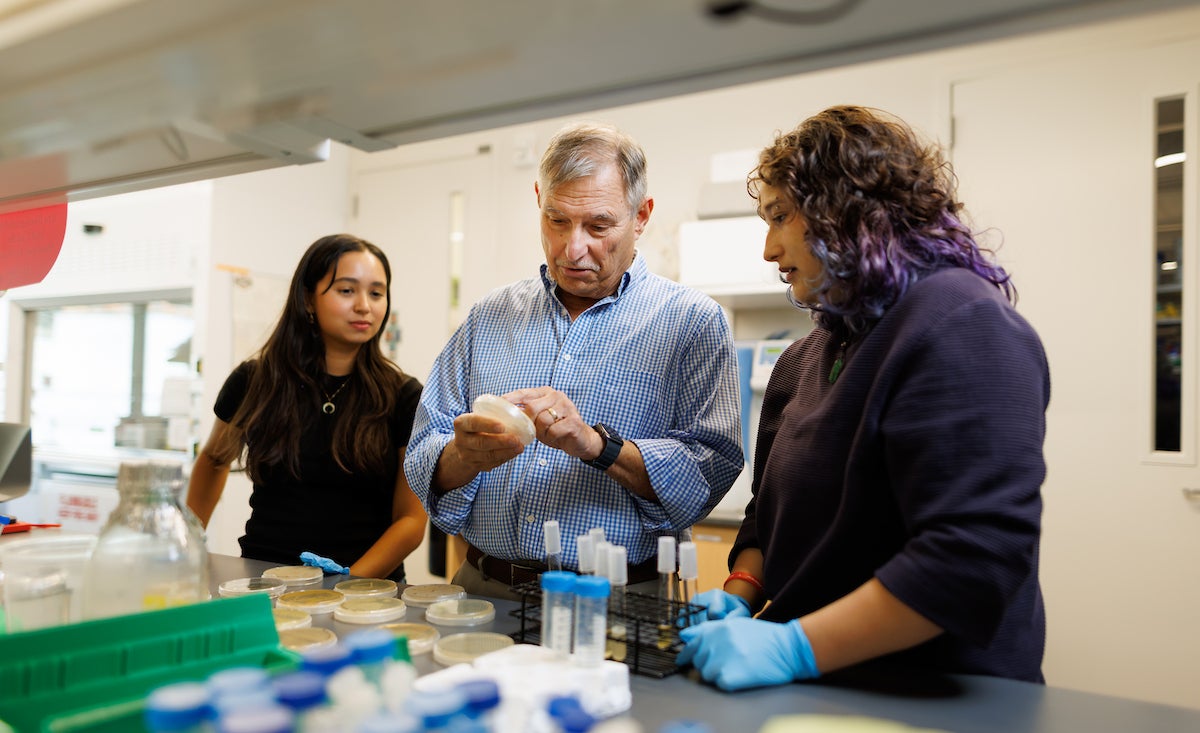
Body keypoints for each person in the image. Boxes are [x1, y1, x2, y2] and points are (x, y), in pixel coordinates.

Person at [679, 105, 1050, 689]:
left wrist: (792, 648)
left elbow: (970, 559)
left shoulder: (962, 320)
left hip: (940, 695)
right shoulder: (807, 356)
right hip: (822, 690)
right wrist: (741, 597)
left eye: (779, 216)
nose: (769, 249)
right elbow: (764, 520)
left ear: (841, 208)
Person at [404, 121, 743, 599]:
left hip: (617, 601)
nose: (572, 247)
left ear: (641, 216)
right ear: (539, 199)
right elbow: (423, 449)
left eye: (598, 226)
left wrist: (597, 446)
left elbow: (710, 471)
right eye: (556, 220)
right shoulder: (489, 315)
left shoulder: (690, 322)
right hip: (484, 589)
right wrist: (462, 457)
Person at [186, 234, 426, 581]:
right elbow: (213, 460)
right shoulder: (254, 381)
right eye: (346, 290)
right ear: (308, 299)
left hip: (365, 591)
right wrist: (186, 546)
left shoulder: (404, 395)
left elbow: (411, 520)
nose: (365, 306)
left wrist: (348, 582)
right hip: (265, 580)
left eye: (376, 293)